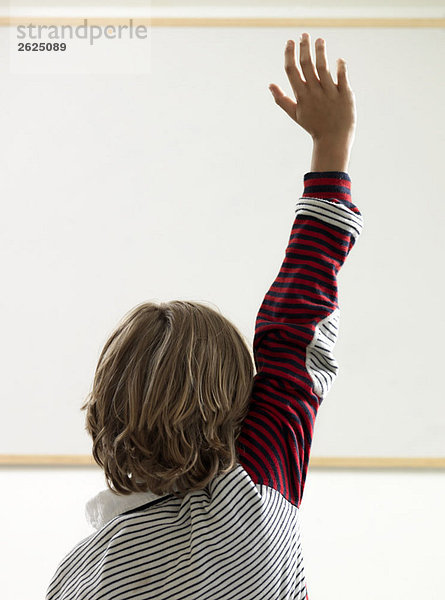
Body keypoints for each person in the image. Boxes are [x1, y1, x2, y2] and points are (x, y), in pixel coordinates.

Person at [46, 32, 364, 600]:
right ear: (239, 405)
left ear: (106, 404)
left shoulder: (78, 578)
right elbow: (293, 331)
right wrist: (331, 146)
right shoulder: (253, 499)